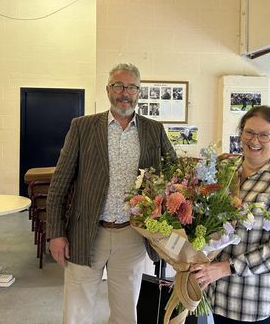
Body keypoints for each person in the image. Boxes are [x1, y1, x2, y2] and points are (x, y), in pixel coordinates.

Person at [46, 63, 176, 324]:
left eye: (131, 87)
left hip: (133, 234)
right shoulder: (82, 127)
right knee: (76, 311)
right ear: (108, 90)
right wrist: (56, 233)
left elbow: (175, 176)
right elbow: (60, 182)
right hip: (86, 233)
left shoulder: (154, 130)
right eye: (118, 85)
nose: (124, 93)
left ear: (139, 92)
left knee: (126, 312)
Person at [191, 106, 270, 324]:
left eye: (264, 135)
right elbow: (205, 222)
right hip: (221, 296)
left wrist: (226, 268)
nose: (255, 140)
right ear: (241, 134)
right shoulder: (225, 171)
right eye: (249, 132)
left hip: (260, 303)